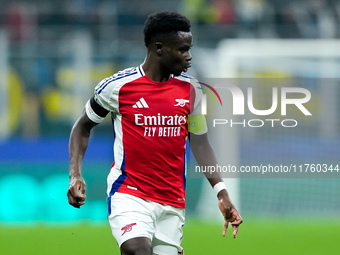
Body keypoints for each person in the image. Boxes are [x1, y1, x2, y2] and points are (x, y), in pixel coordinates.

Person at [67, 11, 242, 255]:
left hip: (172, 202)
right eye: (182, 49)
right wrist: (75, 175)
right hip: (129, 194)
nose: (189, 57)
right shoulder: (118, 87)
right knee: (139, 250)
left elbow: (200, 143)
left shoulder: (192, 90)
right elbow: (82, 127)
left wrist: (221, 192)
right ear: (159, 48)